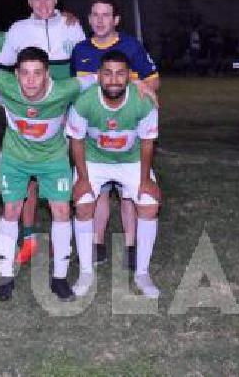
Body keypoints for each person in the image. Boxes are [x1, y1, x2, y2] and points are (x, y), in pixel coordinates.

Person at [0, 0, 87, 266]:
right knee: (28, 176)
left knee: (61, 164)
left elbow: (85, 64)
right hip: (31, 100)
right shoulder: (18, 29)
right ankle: (28, 235)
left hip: (65, 100)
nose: (43, 4)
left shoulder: (72, 25)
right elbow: (4, 68)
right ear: (28, 1)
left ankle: (64, 241)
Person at [69, 0, 160, 269]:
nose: (99, 20)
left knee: (128, 194)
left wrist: (144, 88)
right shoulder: (80, 49)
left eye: (105, 15)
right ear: (88, 19)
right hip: (92, 129)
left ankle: (131, 243)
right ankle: (97, 243)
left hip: (124, 128)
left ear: (116, 19)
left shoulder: (131, 46)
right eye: (94, 14)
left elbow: (153, 80)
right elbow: (77, 87)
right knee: (99, 192)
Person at [67, 50, 162, 299]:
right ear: (98, 76)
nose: (113, 80)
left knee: (149, 204)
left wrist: (144, 181)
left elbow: (147, 143)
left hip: (130, 161)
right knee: (84, 203)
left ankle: (142, 272)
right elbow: (76, 142)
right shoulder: (84, 101)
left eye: (120, 74)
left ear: (130, 77)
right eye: (107, 73)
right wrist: (83, 180)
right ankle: (86, 272)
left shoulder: (143, 101)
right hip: (94, 160)